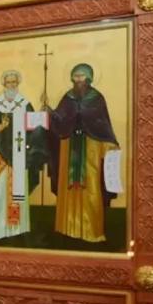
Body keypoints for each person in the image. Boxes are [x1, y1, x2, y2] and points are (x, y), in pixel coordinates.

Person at [49, 63, 119, 243]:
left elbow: (103, 124)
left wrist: (109, 143)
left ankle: (91, 230)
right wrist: (50, 113)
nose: (79, 80)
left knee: (91, 187)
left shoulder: (97, 98)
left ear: (89, 78)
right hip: (69, 145)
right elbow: (59, 120)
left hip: (91, 147)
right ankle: (67, 228)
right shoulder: (68, 97)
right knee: (69, 187)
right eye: (76, 76)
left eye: (82, 76)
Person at [0, 70, 45, 240]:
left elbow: (35, 129)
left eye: (14, 82)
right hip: (0, 157)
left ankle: (17, 228)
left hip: (19, 155)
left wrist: (42, 115)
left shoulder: (25, 104)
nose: (11, 86)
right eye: (8, 83)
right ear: (4, 84)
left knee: (18, 192)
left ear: (18, 84)